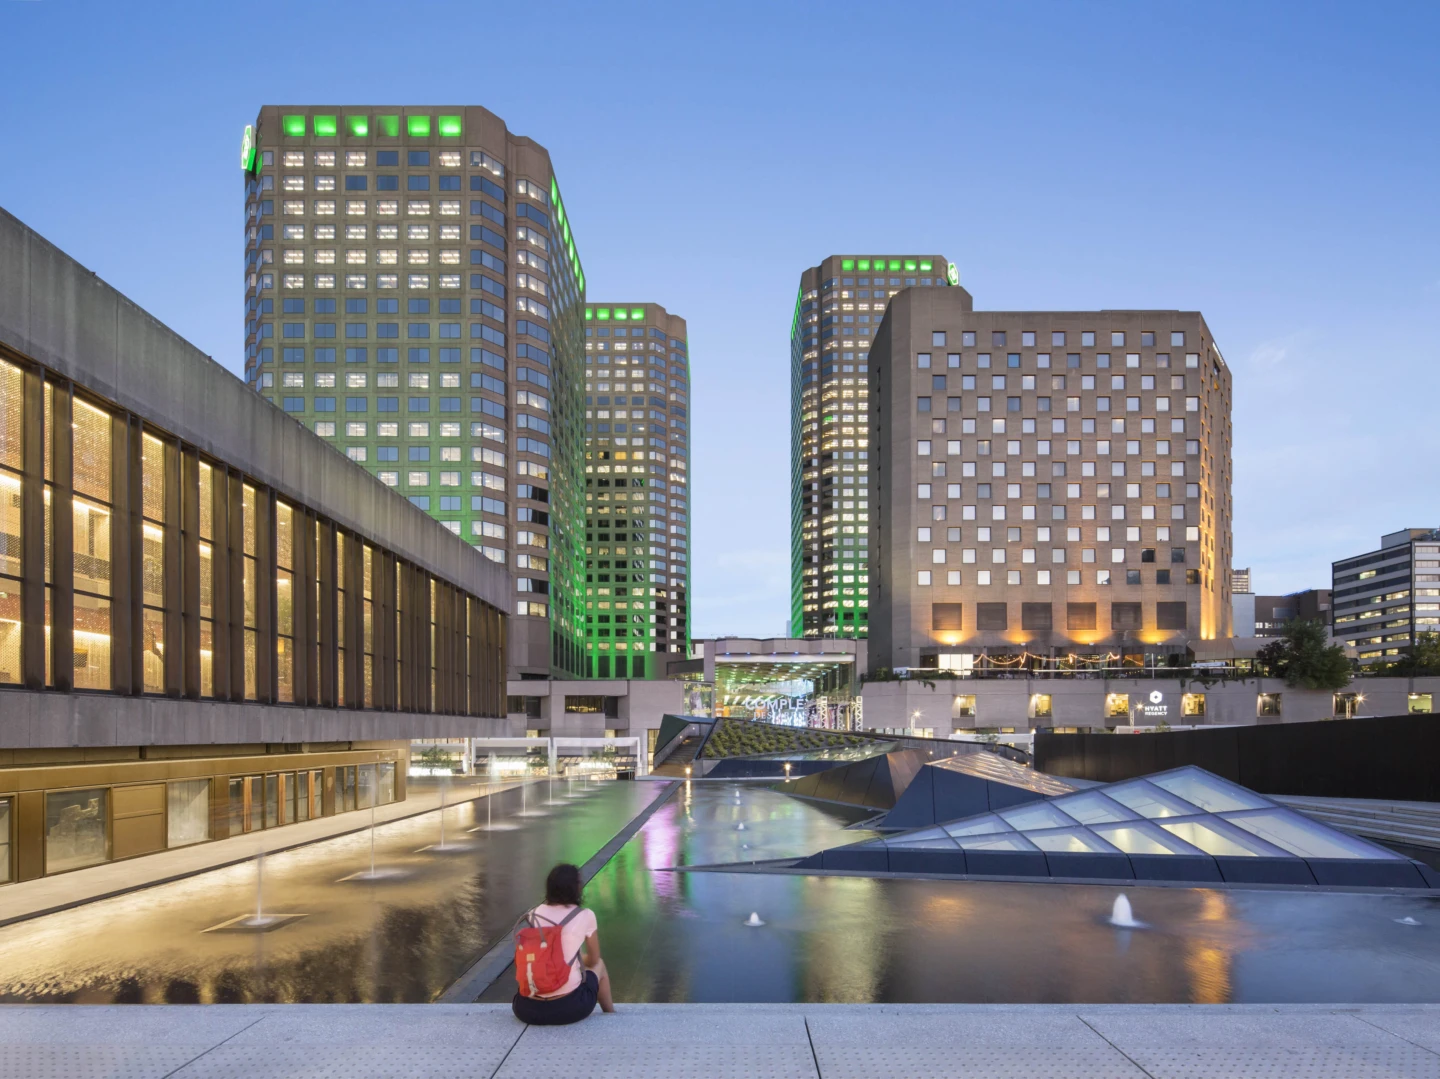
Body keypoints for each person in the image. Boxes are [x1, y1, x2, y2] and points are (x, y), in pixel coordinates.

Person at [511, 863, 615, 1024]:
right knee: (599, 965)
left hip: (526, 1008)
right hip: (569, 1008)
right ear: (577, 888)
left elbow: (542, 953)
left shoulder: (534, 914)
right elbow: (593, 959)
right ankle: (611, 1015)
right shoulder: (586, 915)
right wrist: (579, 960)